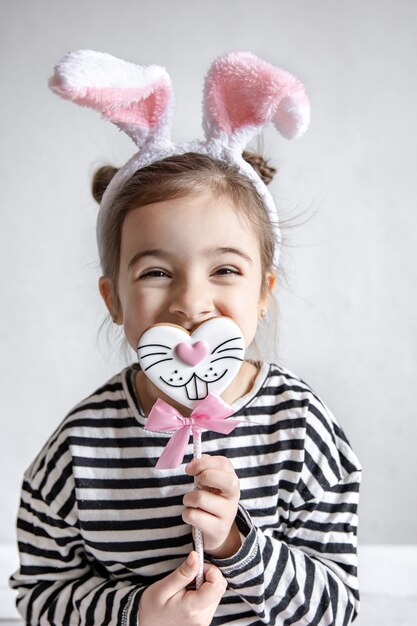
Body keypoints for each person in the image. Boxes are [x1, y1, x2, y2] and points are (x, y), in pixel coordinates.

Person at [10, 50, 361, 626]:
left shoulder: (302, 429)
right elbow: (40, 596)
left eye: (224, 270)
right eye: (156, 271)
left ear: (263, 292)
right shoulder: (78, 452)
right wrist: (135, 615)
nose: (190, 302)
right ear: (114, 299)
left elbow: (336, 608)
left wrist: (237, 546)